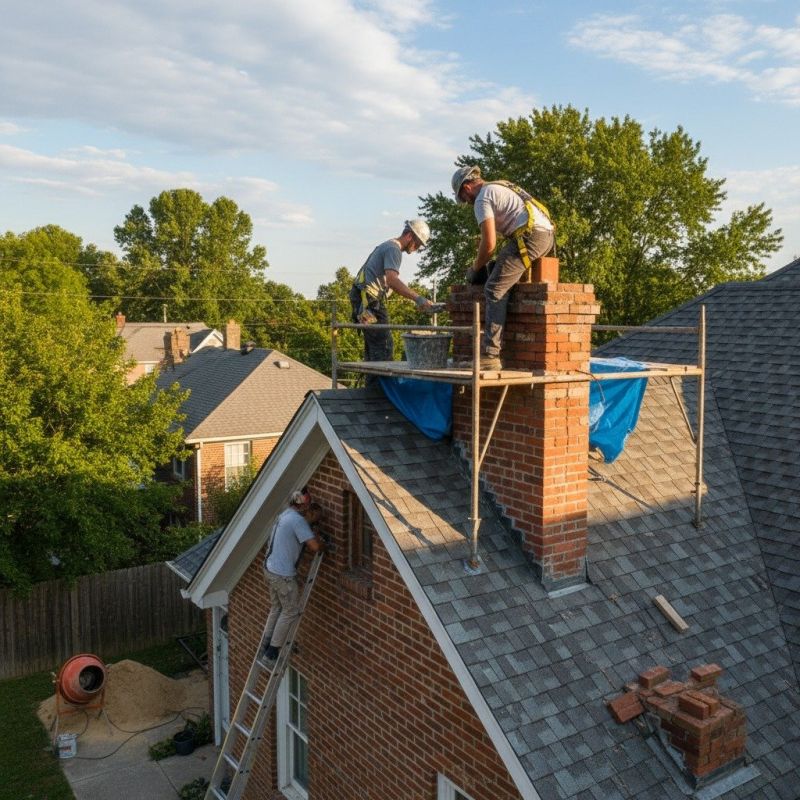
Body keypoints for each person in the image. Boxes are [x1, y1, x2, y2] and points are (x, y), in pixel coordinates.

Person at [452, 165, 555, 369]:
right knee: (498, 272)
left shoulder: (482, 198)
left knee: (494, 289)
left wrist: (474, 269)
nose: (467, 202)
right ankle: (499, 348)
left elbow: (489, 244)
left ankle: (490, 355)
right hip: (546, 235)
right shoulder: (500, 185)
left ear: (466, 188)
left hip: (530, 236)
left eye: (464, 198)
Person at [349, 219, 435, 379]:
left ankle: (371, 392)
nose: (416, 249)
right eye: (417, 244)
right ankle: (380, 395)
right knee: (383, 348)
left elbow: (385, 281)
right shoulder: (393, 249)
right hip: (369, 303)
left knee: (373, 349)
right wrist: (418, 299)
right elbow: (392, 280)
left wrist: (388, 290)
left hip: (363, 301)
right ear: (409, 235)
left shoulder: (386, 245)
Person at [261, 490, 324, 667]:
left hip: (269, 568)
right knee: (290, 611)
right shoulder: (298, 521)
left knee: (277, 607)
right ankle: (271, 654)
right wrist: (322, 543)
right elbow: (314, 547)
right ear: (305, 506)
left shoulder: (285, 514)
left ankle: (265, 644)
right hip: (282, 575)